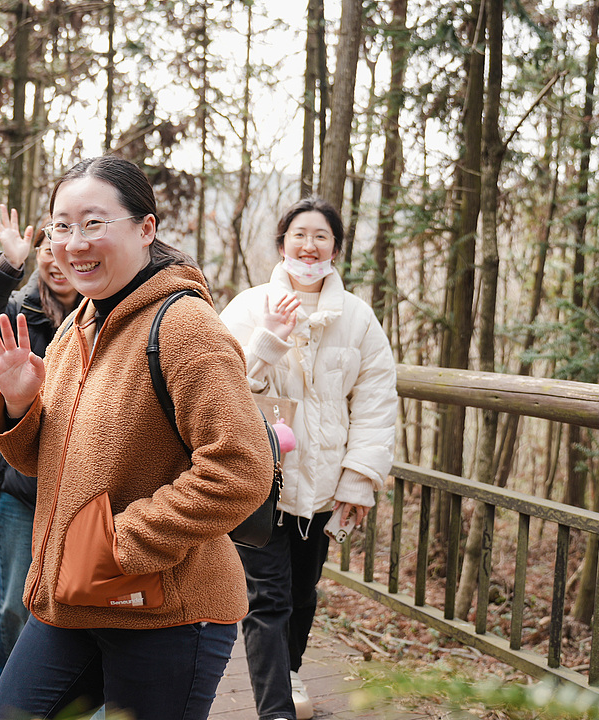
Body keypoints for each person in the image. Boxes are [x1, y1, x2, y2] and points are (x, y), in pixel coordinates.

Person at [0, 155, 272, 720]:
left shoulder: (185, 326)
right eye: (62, 225)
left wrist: (120, 546)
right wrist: (20, 404)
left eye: (94, 223)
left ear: (145, 228)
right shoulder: (76, 326)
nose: (74, 242)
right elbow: (45, 462)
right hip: (69, 600)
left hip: (167, 609)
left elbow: (242, 469)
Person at [219, 197, 397, 720]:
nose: (309, 245)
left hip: (322, 484)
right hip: (262, 481)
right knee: (267, 600)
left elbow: (376, 401)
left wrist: (358, 480)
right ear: (281, 244)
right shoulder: (248, 307)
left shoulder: (359, 319)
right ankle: (276, 709)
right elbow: (223, 387)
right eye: (299, 235)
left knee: (303, 592)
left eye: (321, 236)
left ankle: (290, 672)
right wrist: (269, 337)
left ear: (336, 249)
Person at [0, 202, 80, 685]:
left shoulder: (105, 315)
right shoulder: (19, 310)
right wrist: (6, 265)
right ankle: (7, 696)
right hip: (19, 490)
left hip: (83, 492)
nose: (55, 261)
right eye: (46, 247)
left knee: (75, 608)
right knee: (17, 606)